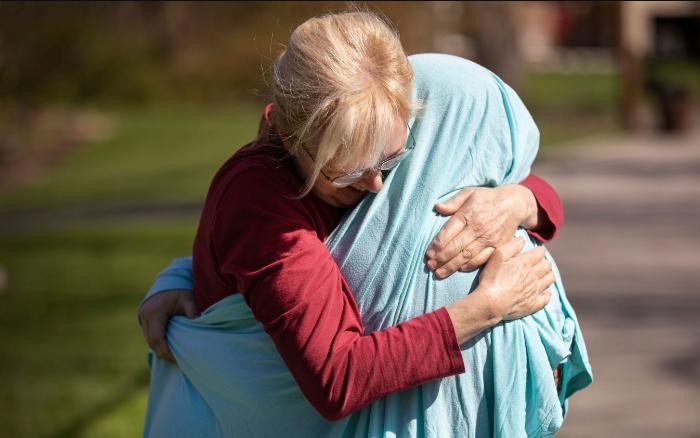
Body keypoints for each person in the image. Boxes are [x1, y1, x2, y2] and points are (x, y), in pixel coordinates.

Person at [139, 11, 591, 437]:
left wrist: (517, 201)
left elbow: (526, 186)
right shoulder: (262, 205)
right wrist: (487, 307)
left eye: (392, 161)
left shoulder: (357, 139)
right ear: (293, 138)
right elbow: (337, 378)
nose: (377, 184)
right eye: (352, 172)